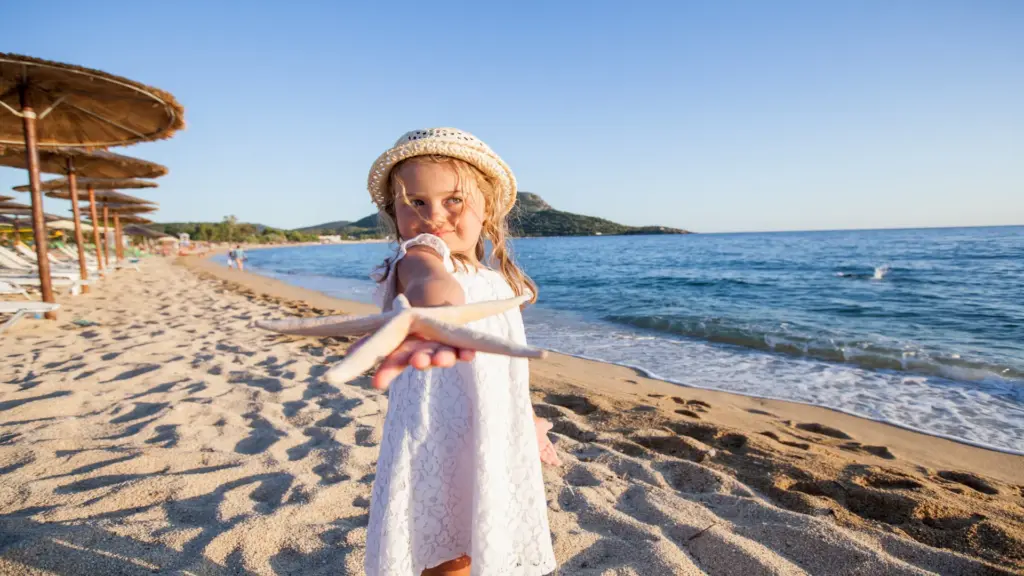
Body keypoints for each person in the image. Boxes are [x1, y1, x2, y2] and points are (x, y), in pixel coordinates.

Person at [362, 128, 559, 576]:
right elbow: (430, 282)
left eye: (454, 200)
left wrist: (528, 421)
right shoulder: (414, 260)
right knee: (446, 549)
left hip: (495, 431)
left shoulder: (496, 282)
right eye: (416, 202)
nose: (434, 216)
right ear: (394, 212)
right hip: (437, 436)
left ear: (487, 208)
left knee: (483, 539)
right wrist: (437, 312)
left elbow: (508, 368)